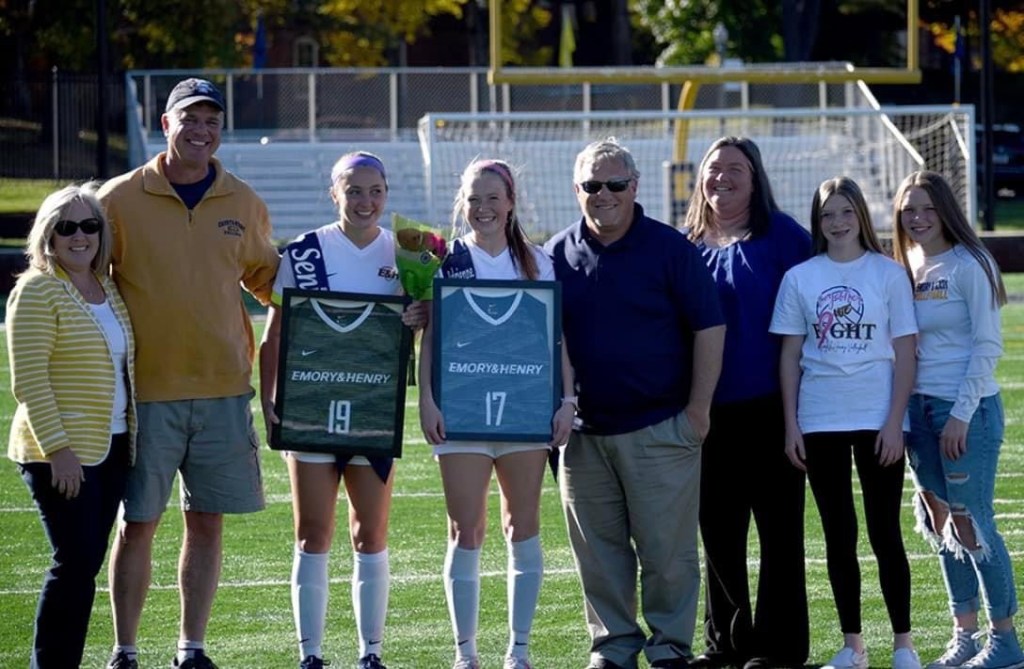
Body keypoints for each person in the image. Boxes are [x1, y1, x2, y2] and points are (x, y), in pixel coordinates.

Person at [98, 77, 281, 669]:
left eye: (211, 121)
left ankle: (191, 648)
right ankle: (125, 649)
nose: (201, 131)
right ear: (166, 125)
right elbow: (86, 281)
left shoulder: (243, 201)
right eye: (190, 119)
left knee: (206, 524)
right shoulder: (118, 199)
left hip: (224, 390)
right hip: (145, 394)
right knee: (137, 524)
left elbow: (270, 282)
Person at [544, 138, 726, 669]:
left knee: (667, 554)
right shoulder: (554, 254)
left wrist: (697, 412)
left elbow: (709, 328)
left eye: (615, 184)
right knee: (598, 557)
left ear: (635, 186)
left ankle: (670, 647)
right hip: (583, 436)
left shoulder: (670, 248)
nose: (604, 194)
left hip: (660, 426)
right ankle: (613, 646)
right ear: (576, 189)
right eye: (592, 185)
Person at [259, 151, 425, 669]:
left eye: (375, 190)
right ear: (334, 193)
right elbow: (276, 334)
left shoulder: (409, 251)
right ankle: (310, 653)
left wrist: (423, 314)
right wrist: (269, 399)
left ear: (387, 194)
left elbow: (428, 327)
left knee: (369, 533)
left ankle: (370, 652)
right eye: (354, 190)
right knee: (312, 532)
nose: (365, 201)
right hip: (311, 405)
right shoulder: (305, 251)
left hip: (373, 408)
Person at [417, 158, 575, 669]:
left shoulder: (537, 262)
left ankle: (518, 651)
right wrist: (426, 398)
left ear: (510, 203)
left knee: (522, 526)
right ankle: (466, 654)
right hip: (460, 413)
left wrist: (566, 401)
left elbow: (557, 338)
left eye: (492, 198)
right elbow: (430, 336)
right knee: (465, 531)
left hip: (525, 412)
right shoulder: (442, 260)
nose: (482, 208)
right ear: (461, 203)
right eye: (473, 198)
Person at [770, 176, 921, 669]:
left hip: (878, 417)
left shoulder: (888, 273)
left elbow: (905, 352)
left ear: (861, 215)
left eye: (845, 212)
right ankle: (853, 646)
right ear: (818, 222)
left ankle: (904, 644)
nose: (837, 222)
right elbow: (790, 356)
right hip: (820, 419)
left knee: (885, 533)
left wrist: (895, 422)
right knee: (839, 535)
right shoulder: (800, 277)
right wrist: (792, 424)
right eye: (827, 214)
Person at [684, 136, 811, 669]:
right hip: (705, 413)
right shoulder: (686, 245)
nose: (723, 177)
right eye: (714, 168)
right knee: (718, 533)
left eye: (736, 168)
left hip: (773, 409)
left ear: (756, 179)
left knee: (780, 532)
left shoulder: (784, 238)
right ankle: (726, 645)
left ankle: (779, 649)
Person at [892, 171, 1024, 669]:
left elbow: (988, 346)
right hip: (918, 410)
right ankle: (964, 635)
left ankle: (1005, 641)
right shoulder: (905, 263)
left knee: (972, 523)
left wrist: (961, 416)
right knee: (939, 521)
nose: (917, 218)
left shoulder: (971, 263)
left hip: (964, 411)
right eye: (908, 210)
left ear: (946, 210)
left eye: (927, 208)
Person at [7, 184, 135, 669]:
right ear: (48, 235)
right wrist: (59, 450)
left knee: (84, 565)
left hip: (112, 446)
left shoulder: (107, 289)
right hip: (59, 453)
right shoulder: (37, 289)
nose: (79, 236)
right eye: (66, 227)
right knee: (74, 562)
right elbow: (29, 379)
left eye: (89, 225)